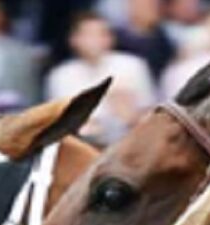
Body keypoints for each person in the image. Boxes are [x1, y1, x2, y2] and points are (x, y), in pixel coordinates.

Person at [44, 12, 156, 144]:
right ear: (74, 40)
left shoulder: (133, 66)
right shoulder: (60, 75)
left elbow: (150, 112)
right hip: (80, 146)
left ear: (110, 39)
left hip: (129, 143)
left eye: (102, 34)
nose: (95, 40)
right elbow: (58, 123)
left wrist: (130, 115)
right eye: (88, 35)